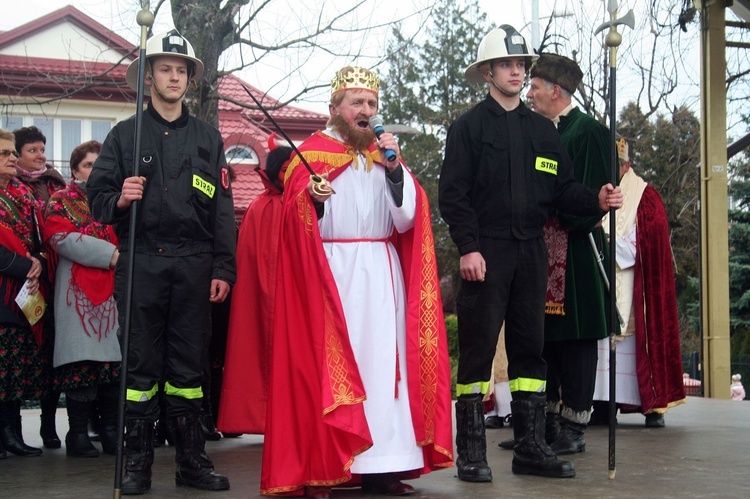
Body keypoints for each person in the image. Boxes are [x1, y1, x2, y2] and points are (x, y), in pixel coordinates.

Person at [439, 26, 622, 482]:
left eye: (522, 64)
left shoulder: (542, 130)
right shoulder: (468, 128)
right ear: (487, 72)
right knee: (479, 353)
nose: (517, 71)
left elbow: (563, 191)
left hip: (531, 252)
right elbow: (453, 195)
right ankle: (472, 453)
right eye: (507, 64)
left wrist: (596, 199)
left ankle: (530, 446)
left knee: (530, 354)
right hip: (487, 252)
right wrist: (469, 247)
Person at [261, 66, 454, 498]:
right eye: (357, 104)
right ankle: (328, 463)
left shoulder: (385, 157)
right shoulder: (311, 153)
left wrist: (395, 173)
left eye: (371, 104)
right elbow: (295, 217)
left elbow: (407, 219)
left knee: (384, 371)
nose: (366, 111)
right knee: (332, 368)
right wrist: (312, 199)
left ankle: (384, 465)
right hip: (332, 273)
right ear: (335, 110)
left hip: (381, 278)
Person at [86, 30, 236, 494]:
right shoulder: (123, 134)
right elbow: (96, 199)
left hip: (194, 266)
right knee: (140, 370)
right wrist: (120, 200)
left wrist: (223, 268)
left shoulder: (210, 139)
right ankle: (137, 465)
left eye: (181, 70)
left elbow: (223, 211)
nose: (174, 77)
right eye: (165, 69)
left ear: (190, 79)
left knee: (190, 371)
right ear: (148, 76)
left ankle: (192, 461)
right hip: (141, 264)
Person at [524, 53, 611, 455]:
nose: (529, 93)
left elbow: (592, 197)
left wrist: (557, 205)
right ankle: (548, 424)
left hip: (575, 253)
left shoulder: (589, 131)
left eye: (535, 87)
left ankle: (575, 425)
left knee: (575, 338)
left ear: (556, 91)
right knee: (547, 339)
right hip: (540, 249)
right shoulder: (540, 130)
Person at [591, 137, 686, 426]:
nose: (609, 173)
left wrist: (605, 241)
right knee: (602, 353)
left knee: (636, 349)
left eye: (614, 167)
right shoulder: (599, 194)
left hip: (635, 291)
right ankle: (603, 405)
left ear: (627, 165)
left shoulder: (646, 197)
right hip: (602, 286)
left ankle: (652, 404)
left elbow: (643, 245)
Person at [42, 140, 121, 458]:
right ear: (75, 170)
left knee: (112, 370)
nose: (95, 170)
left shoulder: (115, 201)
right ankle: (77, 435)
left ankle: (111, 432)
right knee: (82, 368)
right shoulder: (60, 200)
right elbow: (62, 238)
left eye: (100, 164)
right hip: (75, 296)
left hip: (113, 294)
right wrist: (112, 254)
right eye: (88, 165)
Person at [218, 137, 293, 436]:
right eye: (287, 169)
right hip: (267, 297)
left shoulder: (293, 203)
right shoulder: (262, 207)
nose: (291, 175)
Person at [13, 125, 65, 450]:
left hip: (54, 279)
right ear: (17, 155)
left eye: (42, 150)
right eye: (32, 150)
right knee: (21, 358)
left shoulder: (55, 186)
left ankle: (49, 426)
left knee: (52, 356)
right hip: (23, 281)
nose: (40, 156)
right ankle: (13, 431)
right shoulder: (12, 187)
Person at [0, 129, 46, 458]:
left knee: (15, 368)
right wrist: (23, 265)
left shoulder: (24, 195)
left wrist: (38, 263)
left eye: (12, 152)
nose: (12, 158)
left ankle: (12, 433)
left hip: (22, 296)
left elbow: (38, 242)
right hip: (4, 290)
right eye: (4, 154)